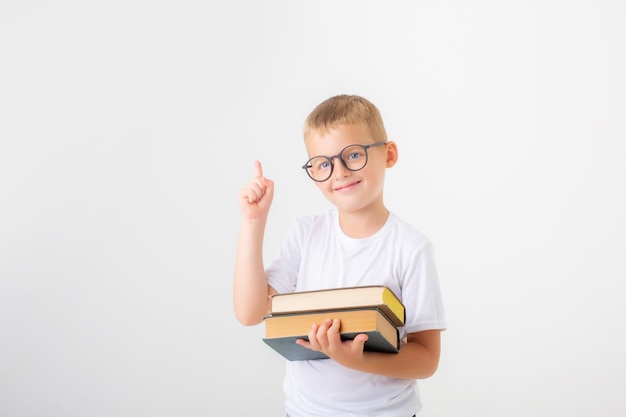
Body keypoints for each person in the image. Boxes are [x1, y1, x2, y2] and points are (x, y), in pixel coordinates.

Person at [234, 94, 447, 417]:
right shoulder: (306, 233)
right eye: (323, 163)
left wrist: (355, 360)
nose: (339, 172)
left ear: (388, 154)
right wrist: (253, 222)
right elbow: (250, 312)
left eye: (353, 155)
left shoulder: (411, 247)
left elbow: (426, 359)